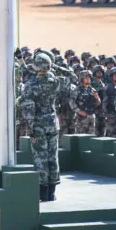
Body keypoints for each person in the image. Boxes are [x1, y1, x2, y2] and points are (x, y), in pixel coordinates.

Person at [20, 52, 68, 202]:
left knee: (41, 158)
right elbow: (71, 76)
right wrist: (55, 66)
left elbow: (28, 108)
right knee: (53, 157)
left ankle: (43, 193)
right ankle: (52, 193)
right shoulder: (55, 81)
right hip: (53, 124)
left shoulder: (30, 85)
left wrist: (31, 126)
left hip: (38, 125)